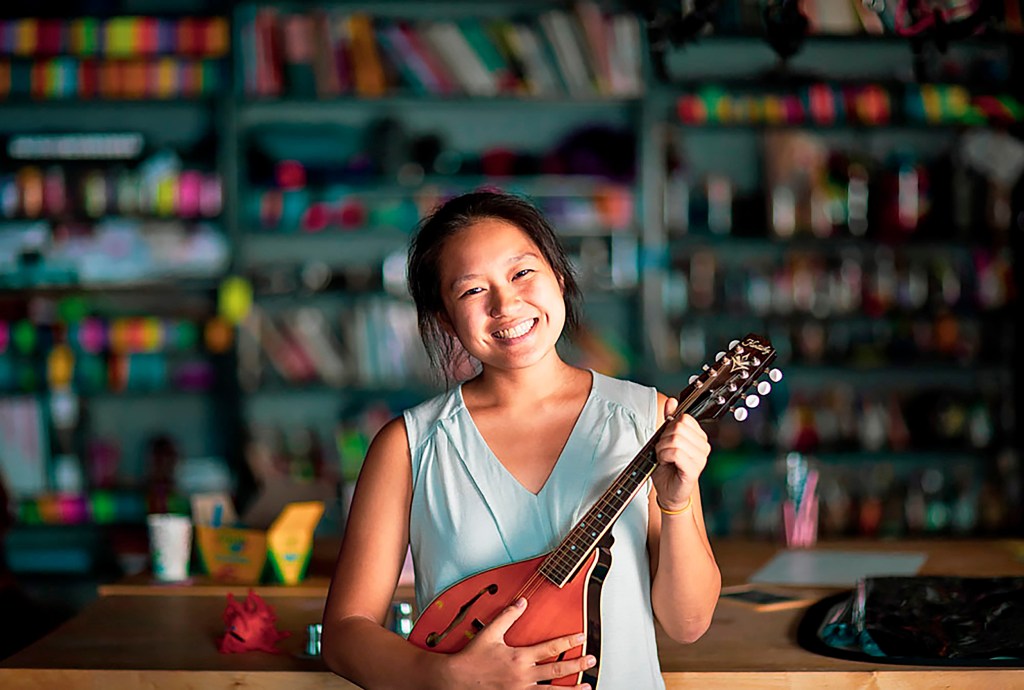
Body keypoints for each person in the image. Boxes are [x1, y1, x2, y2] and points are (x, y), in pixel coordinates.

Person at [322, 190, 721, 689]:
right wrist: (445, 676)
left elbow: (687, 624)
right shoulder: (408, 445)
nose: (505, 304)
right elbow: (343, 635)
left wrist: (677, 503)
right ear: (445, 317)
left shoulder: (649, 419)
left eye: (522, 273)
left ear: (558, 274)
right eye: (471, 291)